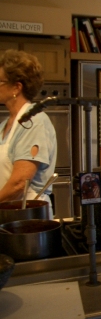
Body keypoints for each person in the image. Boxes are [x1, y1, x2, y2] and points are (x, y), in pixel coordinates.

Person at [0, 49, 57, 217]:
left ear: (16, 87)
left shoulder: (34, 121)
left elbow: (19, 183)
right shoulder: (5, 125)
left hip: (29, 217)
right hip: (8, 212)